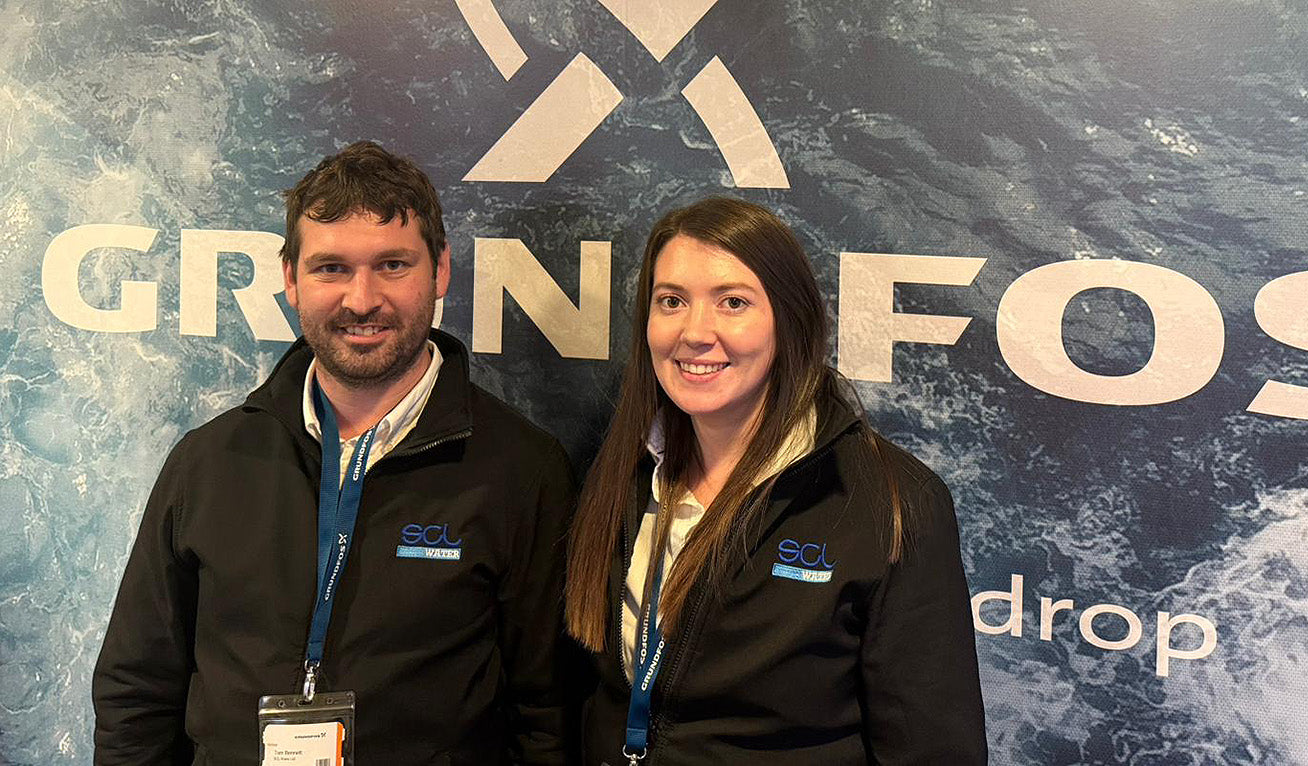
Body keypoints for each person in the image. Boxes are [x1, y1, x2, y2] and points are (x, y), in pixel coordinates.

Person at [93, 141, 576, 765]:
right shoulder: (208, 463)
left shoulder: (523, 471)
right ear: (291, 279)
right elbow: (137, 691)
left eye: (393, 265)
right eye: (331, 268)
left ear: (441, 271)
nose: (361, 299)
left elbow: (548, 715)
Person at [565, 197, 986, 764]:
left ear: (790, 321)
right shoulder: (626, 469)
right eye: (672, 301)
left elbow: (933, 750)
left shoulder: (892, 501)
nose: (695, 332)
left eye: (733, 302)